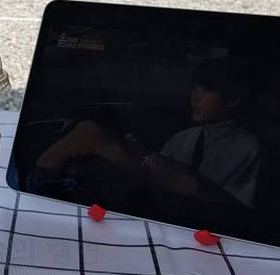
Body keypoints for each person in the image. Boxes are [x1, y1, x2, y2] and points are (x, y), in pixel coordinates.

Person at [32, 58, 262, 208]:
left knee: (89, 133)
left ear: (233, 98)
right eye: (194, 88)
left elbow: (231, 204)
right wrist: (136, 152)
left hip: (199, 206)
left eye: (207, 89)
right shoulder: (185, 138)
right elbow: (152, 179)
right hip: (157, 200)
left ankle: (39, 183)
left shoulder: (248, 148)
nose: (195, 96)